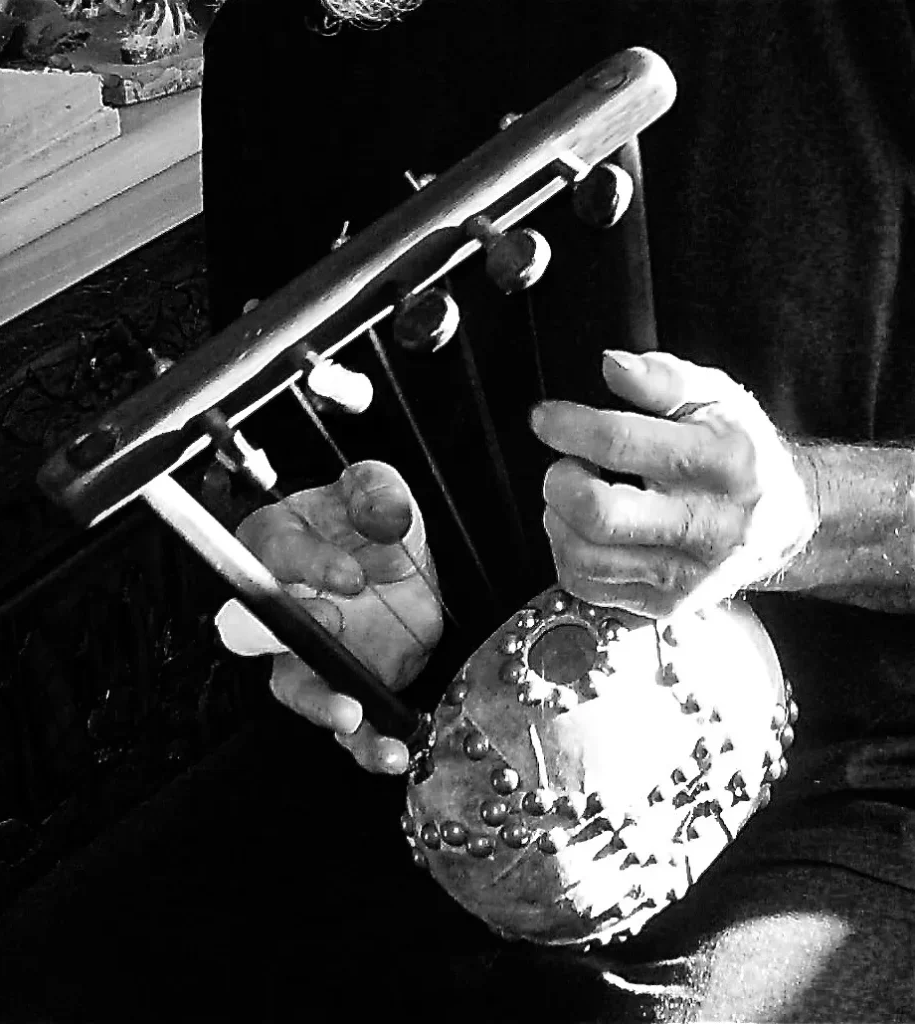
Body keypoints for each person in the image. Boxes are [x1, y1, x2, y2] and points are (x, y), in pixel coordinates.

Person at [200, 0, 915, 1020]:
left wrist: (810, 510)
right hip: (441, 785)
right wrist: (335, 597)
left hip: (844, 788)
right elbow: (284, 461)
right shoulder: (284, 48)